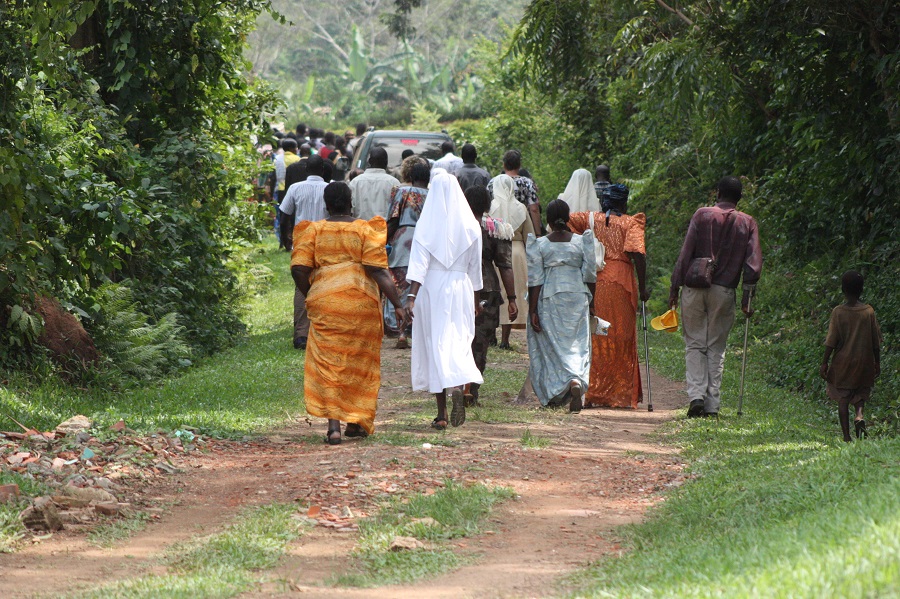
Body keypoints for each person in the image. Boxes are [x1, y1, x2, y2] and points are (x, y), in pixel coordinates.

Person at [291, 182, 407, 445]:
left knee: (329, 362)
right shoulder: (365, 230)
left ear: (327, 204)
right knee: (358, 359)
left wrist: (312, 291)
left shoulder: (314, 230)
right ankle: (355, 421)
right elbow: (377, 270)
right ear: (350, 202)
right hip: (361, 303)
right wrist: (397, 304)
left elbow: (298, 267)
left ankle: (333, 427)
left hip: (325, 302)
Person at [669, 176, 763, 417]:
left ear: (717, 193)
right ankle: (712, 406)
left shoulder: (702, 214)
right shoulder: (747, 222)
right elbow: (753, 265)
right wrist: (747, 298)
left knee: (695, 344)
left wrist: (674, 286)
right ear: (739, 198)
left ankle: (696, 396)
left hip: (694, 287)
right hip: (724, 290)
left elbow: (686, 252)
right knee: (716, 347)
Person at [406, 172, 483, 430]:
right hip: (461, 287)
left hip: (432, 288)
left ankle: (441, 413)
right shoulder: (472, 226)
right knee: (458, 340)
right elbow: (475, 269)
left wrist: (411, 296)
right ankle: (459, 387)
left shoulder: (426, 225)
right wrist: (476, 299)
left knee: (435, 343)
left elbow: (418, 266)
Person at [569, 184, 649, 409]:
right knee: (621, 335)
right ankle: (618, 393)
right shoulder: (631, 222)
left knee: (597, 333)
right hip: (621, 282)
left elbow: (563, 219)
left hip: (596, 280)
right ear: (624, 203)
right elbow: (637, 254)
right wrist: (643, 287)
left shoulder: (589, 218)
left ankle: (592, 391)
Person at [528, 199, 596, 411]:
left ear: (547, 220)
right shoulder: (581, 242)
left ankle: (556, 392)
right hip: (577, 295)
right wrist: (592, 303)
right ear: (568, 218)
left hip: (550, 297)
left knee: (553, 346)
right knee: (577, 344)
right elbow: (590, 274)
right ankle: (575, 380)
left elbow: (535, 279)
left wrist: (532, 310)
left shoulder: (540, 244)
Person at [465, 185, 518, 405]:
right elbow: (505, 265)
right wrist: (512, 298)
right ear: (488, 204)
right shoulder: (496, 228)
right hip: (488, 289)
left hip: (459, 287)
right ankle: (471, 390)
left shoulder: (454, 225)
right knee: (480, 343)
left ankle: (459, 385)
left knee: (459, 339)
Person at [820, 271, 882, 442]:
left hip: (843, 362)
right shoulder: (868, 311)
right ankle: (859, 416)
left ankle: (847, 436)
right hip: (864, 361)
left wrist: (824, 362)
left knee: (843, 397)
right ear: (862, 289)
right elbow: (875, 341)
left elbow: (831, 341)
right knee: (861, 392)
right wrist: (877, 362)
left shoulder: (838, 312)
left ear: (842, 289)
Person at [279, 155, 328, 350]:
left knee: (301, 287)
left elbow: (284, 216)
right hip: (325, 242)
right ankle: (322, 331)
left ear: (306, 168)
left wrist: (286, 239)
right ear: (323, 170)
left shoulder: (295, 188)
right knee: (324, 284)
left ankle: (301, 335)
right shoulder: (329, 188)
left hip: (302, 242)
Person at [385, 158, 431, 347]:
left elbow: (393, 219)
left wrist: (384, 241)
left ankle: (401, 332)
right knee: (419, 285)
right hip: (426, 240)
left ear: (410, 176)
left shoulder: (401, 191)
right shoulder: (433, 194)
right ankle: (417, 329)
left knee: (400, 284)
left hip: (403, 238)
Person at [489, 174, 534, 349]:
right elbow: (529, 235)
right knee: (512, 293)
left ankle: (492, 334)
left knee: (495, 291)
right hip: (516, 252)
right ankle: (505, 340)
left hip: (495, 251)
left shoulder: (491, 207)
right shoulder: (521, 208)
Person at [488, 150, 542, 237]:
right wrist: (538, 233)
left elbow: (488, 208)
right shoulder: (527, 183)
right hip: (521, 228)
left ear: (504, 164)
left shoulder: (493, 183)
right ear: (519, 165)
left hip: (499, 229)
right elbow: (534, 209)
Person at [349, 147, 401, 220]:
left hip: (361, 229)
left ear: (369, 161)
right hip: (385, 229)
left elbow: (350, 211)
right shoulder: (394, 183)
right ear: (386, 162)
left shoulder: (355, 182)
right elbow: (397, 213)